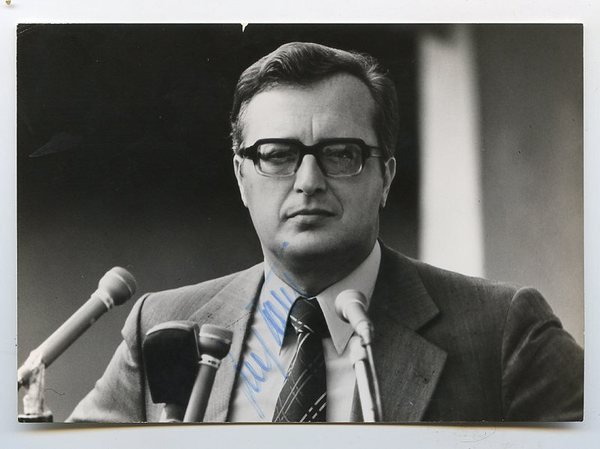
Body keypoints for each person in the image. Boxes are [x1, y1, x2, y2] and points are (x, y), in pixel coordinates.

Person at [68, 42, 583, 423]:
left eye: (341, 154)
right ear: (242, 178)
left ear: (386, 177)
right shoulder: (162, 327)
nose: (309, 182)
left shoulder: (503, 331)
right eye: (277, 155)